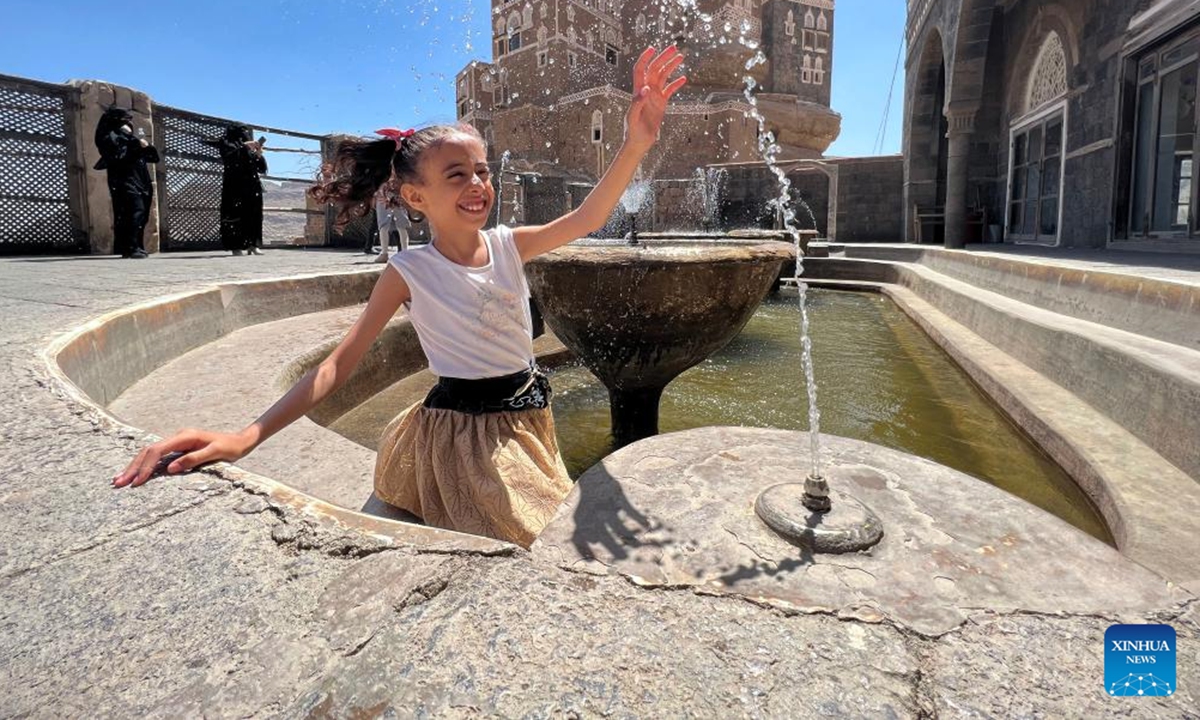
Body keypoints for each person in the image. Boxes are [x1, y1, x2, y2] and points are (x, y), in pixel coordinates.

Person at [114, 47, 687, 547]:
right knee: (536, 540)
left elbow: (589, 215)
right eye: (457, 174)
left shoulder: (511, 245)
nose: (478, 185)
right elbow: (339, 364)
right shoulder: (410, 270)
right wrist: (246, 435)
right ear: (415, 196)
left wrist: (637, 141)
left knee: (550, 526)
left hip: (526, 415)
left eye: (482, 171)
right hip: (466, 435)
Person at [94, 107, 159, 259]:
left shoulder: (132, 141)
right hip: (124, 181)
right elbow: (118, 156)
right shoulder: (109, 138)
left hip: (141, 181)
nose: (128, 127)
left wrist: (145, 146)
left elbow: (154, 158)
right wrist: (135, 144)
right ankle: (129, 247)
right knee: (134, 211)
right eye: (124, 124)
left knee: (141, 214)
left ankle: (136, 246)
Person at [206, 124, 267, 256]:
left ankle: (253, 244)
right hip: (234, 185)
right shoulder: (226, 142)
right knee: (234, 214)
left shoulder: (249, 147)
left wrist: (258, 154)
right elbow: (230, 158)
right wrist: (244, 147)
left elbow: (261, 168)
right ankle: (236, 246)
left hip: (252, 185)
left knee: (254, 215)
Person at [371, 174, 411, 263]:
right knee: (383, 225)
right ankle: (384, 253)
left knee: (401, 224)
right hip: (383, 193)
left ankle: (405, 252)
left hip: (397, 192)